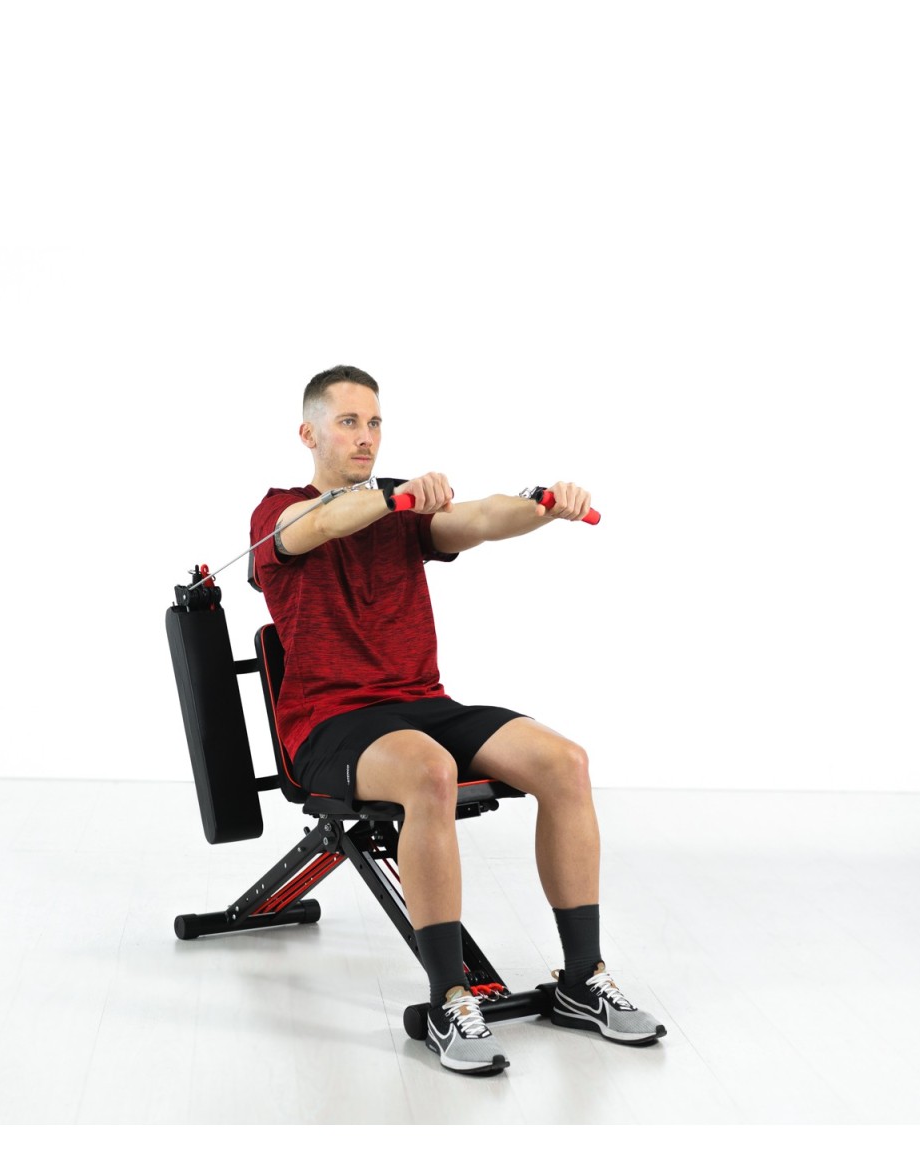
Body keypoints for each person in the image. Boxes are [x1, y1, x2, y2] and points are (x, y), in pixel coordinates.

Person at [249, 365, 665, 1075]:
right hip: (330, 724)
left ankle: (582, 980)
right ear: (308, 434)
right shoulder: (277, 513)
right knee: (431, 772)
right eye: (348, 422)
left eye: (374, 422)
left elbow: (476, 519)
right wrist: (390, 497)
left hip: (425, 704)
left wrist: (542, 506)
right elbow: (319, 524)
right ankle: (449, 998)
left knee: (565, 763)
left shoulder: (402, 509)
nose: (365, 436)